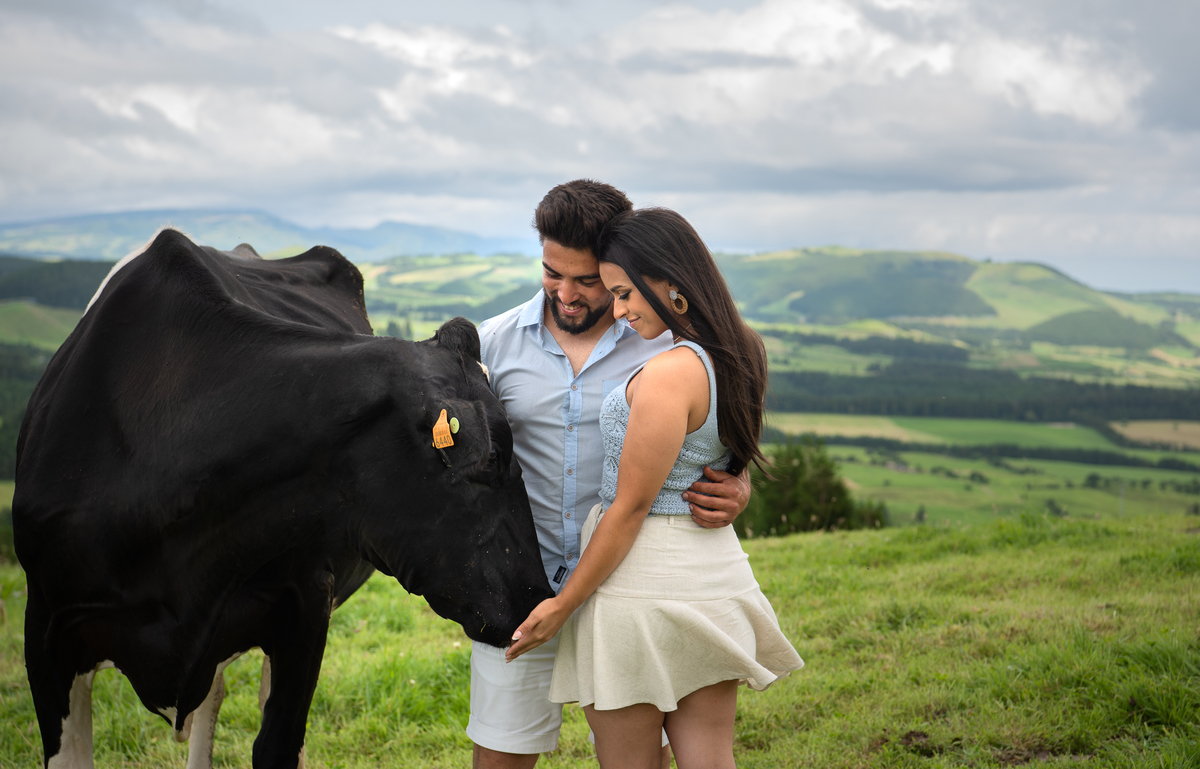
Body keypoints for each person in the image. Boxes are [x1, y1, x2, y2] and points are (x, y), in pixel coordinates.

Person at [506, 207, 803, 768]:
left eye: (623, 293)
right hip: (713, 577)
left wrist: (562, 607)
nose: (618, 310)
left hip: (639, 589)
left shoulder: (668, 373)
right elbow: (720, 452)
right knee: (711, 761)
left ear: (669, 283)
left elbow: (630, 507)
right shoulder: (742, 351)